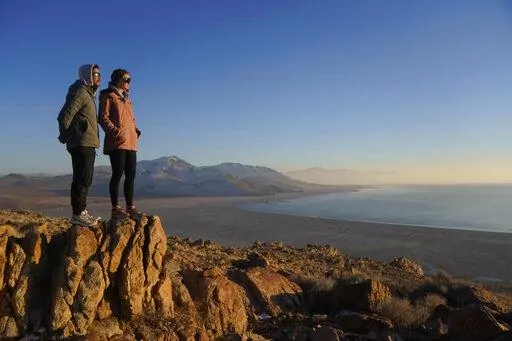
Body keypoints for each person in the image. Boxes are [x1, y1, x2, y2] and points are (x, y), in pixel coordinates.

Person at [57, 64, 102, 226]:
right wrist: (66, 135)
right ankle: (78, 213)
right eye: (95, 74)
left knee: (85, 178)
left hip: (86, 142)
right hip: (82, 142)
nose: (99, 77)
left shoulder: (88, 94)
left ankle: (81, 211)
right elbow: (64, 115)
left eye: (99, 74)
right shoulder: (81, 92)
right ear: (87, 75)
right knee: (82, 178)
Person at [98, 68, 143, 220]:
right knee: (117, 174)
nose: (129, 82)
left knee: (131, 175)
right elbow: (103, 118)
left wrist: (135, 130)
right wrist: (116, 132)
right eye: (127, 79)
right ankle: (115, 208)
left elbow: (132, 119)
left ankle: (130, 207)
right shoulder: (109, 96)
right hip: (117, 142)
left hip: (130, 142)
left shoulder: (127, 99)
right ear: (118, 80)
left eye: (130, 80)